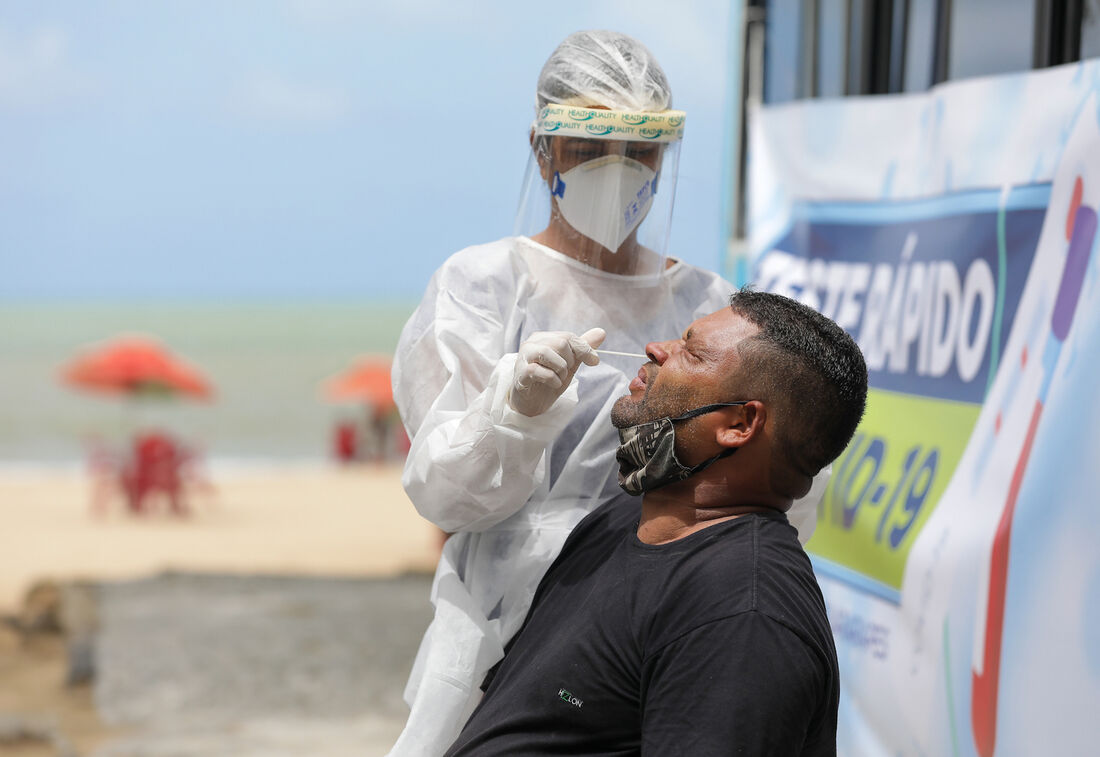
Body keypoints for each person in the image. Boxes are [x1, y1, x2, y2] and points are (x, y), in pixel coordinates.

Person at [389, 32, 823, 755]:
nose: (618, 174)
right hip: (503, 617)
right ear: (542, 149)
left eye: (640, 152)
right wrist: (510, 415)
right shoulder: (485, 286)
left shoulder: (706, 303)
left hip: (661, 603)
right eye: (593, 150)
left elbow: (759, 492)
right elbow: (446, 496)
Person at [444, 290, 868, 756]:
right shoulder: (620, 522)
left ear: (740, 424)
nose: (656, 349)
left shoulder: (744, 618)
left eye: (691, 350)